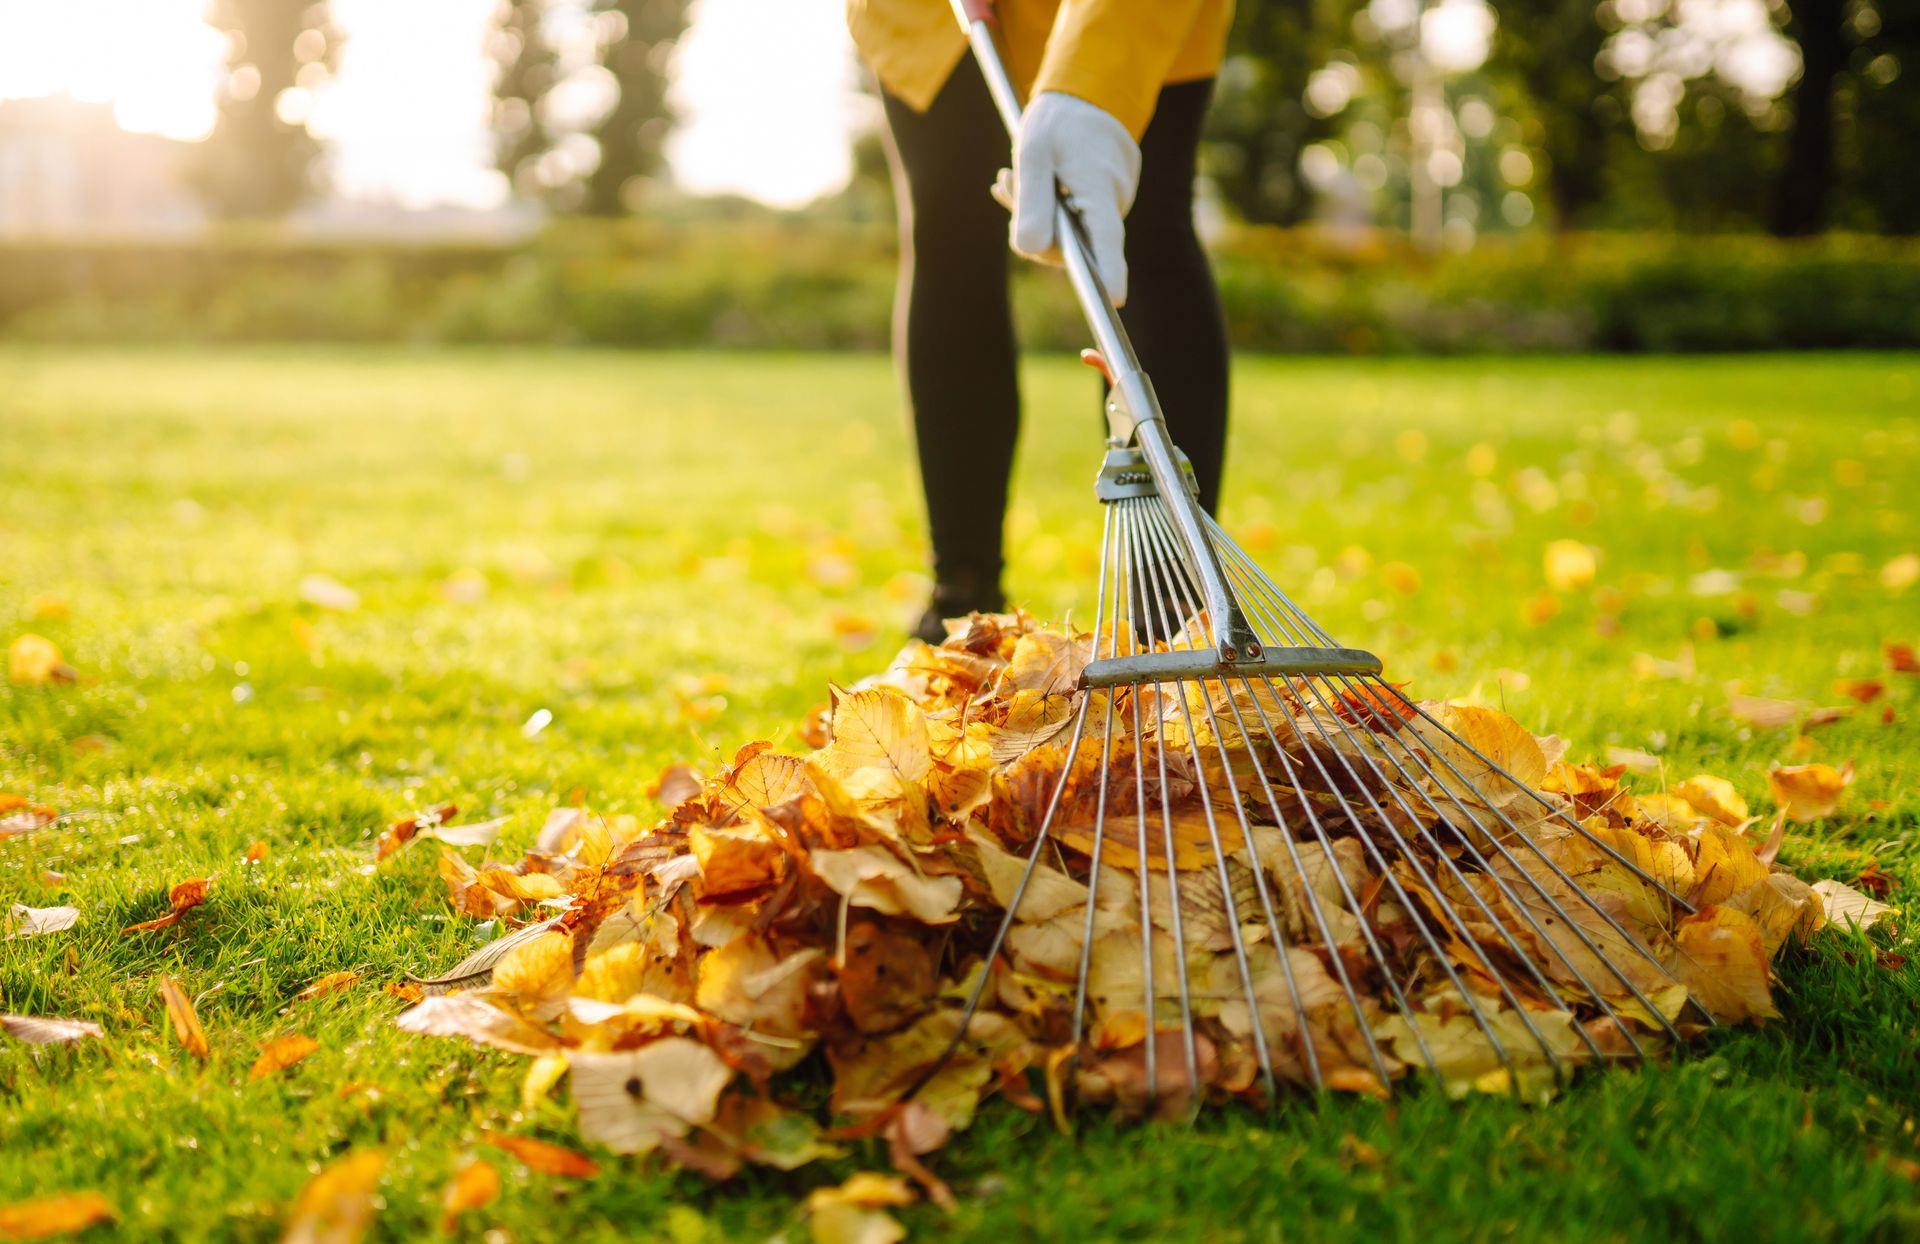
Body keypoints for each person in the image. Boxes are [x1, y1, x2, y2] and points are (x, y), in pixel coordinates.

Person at [846, 0, 1236, 642]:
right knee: (951, 233)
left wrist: (1093, 91)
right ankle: (962, 605)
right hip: (941, 25)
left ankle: (1177, 612)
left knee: (1149, 228)